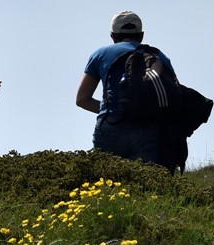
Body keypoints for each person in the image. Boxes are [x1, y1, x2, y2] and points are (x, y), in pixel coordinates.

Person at [76, 10, 182, 170]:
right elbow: (174, 94)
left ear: (113, 36)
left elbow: (82, 99)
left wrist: (112, 109)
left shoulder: (100, 54)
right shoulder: (158, 56)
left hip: (110, 127)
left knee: (107, 183)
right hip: (147, 129)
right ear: (141, 36)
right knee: (145, 185)